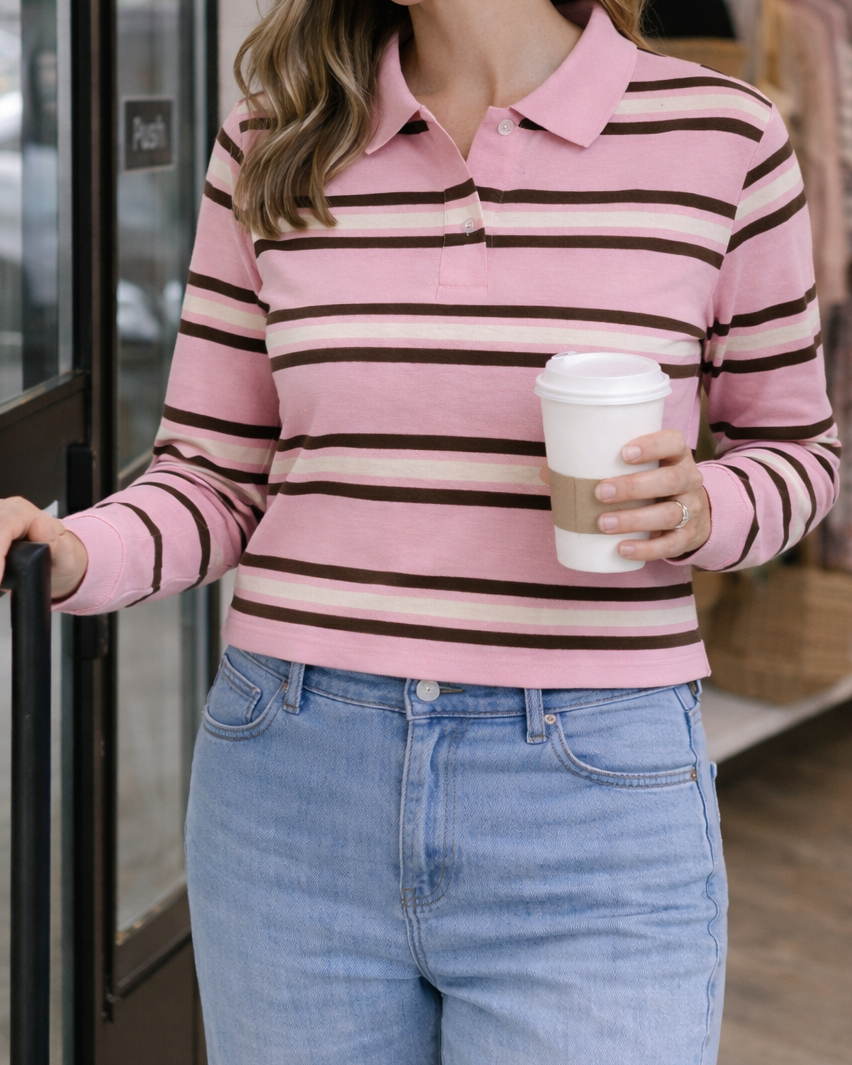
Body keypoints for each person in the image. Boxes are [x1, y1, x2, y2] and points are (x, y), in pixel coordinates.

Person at [0, 0, 838, 1061]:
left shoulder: (721, 135)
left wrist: (707, 507)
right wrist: (69, 550)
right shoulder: (274, 138)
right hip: (290, 787)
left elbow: (801, 457)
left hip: (591, 797)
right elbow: (213, 476)